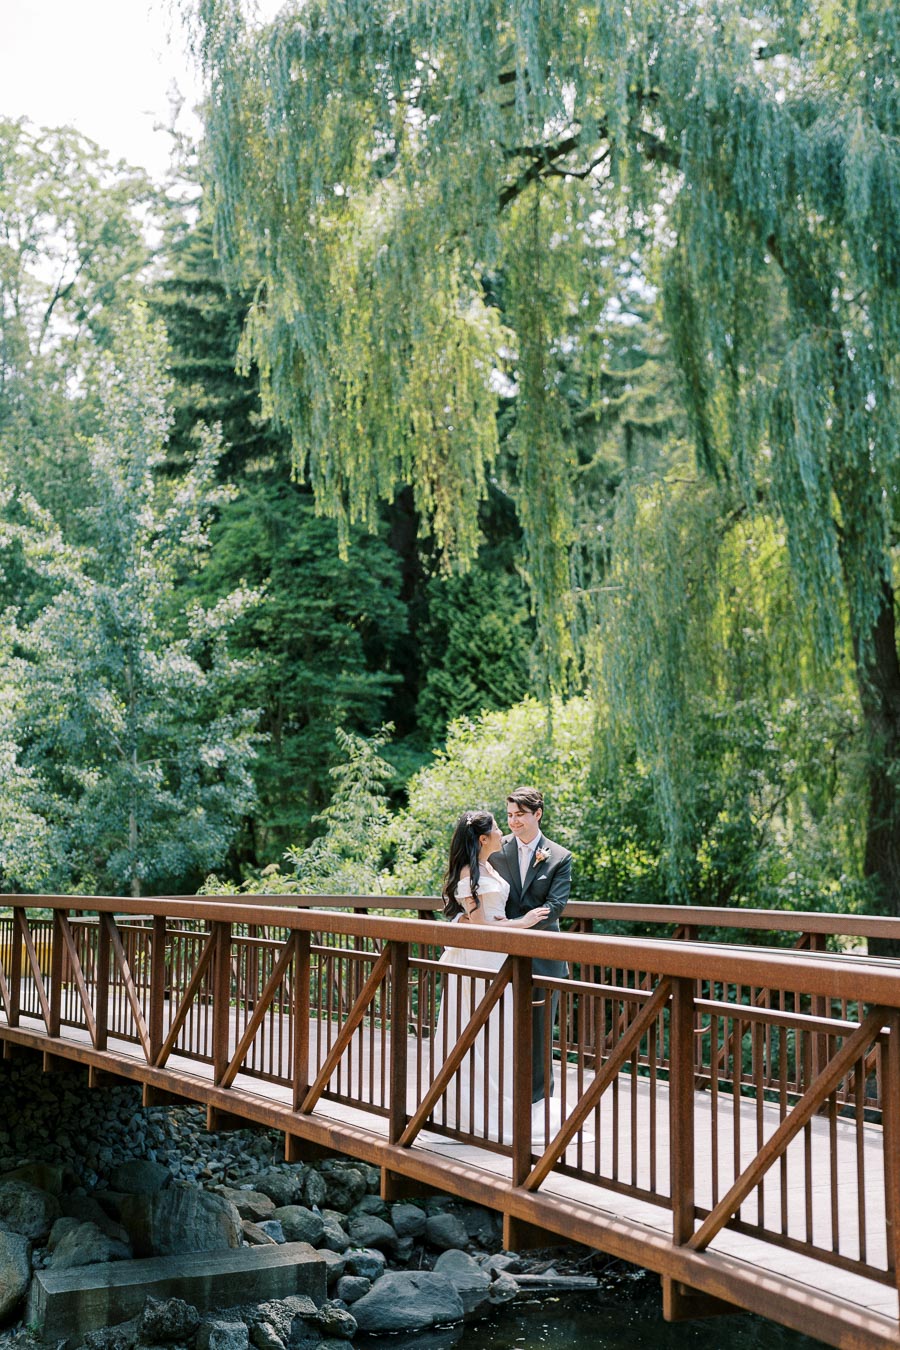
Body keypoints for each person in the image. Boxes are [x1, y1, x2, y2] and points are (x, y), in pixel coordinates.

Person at [433, 808, 551, 1144]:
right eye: (498, 827)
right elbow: (482, 923)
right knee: (474, 1031)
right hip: (477, 957)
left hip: (495, 955)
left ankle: (498, 1105)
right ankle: (470, 1112)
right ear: (483, 838)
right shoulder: (469, 873)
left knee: (499, 1033)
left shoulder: (488, 867)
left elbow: (488, 919)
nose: (503, 831)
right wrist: (523, 924)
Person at [489, 787, 571, 1102]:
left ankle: (539, 1105)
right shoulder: (496, 850)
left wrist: (524, 923)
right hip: (499, 956)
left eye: (520, 815)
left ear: (537, 814)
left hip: (543, 957)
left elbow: (557, 905)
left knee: (539, 1037)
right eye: (509, 815)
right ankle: (501, 1100)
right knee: (499, 1031)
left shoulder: (560, 856)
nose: (513, 822)